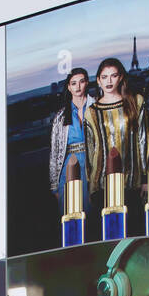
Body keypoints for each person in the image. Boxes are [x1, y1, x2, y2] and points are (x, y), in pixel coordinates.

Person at [84, 58, 147, 238]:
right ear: (98, 80)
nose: (109, 81)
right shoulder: (92, 111)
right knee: (108, 234)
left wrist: (144, 178)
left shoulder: (136, 101)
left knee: (133, 232)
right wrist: (91, 184)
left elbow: (143, 140)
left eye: (113, 76)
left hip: (131, 181)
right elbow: (90, 149)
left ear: (121, 78)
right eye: (104, 77)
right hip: (101, 181)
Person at [49, 68, 92, 216]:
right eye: (73, 83)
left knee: (91, 213)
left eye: (81, 82)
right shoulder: (60, 116)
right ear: (69, 87)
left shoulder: (97, 107)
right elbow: (54, 153)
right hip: (69, 165)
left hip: (92, 164)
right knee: (70, 215)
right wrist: (54, 186)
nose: (78, 86)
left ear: (87, 83)